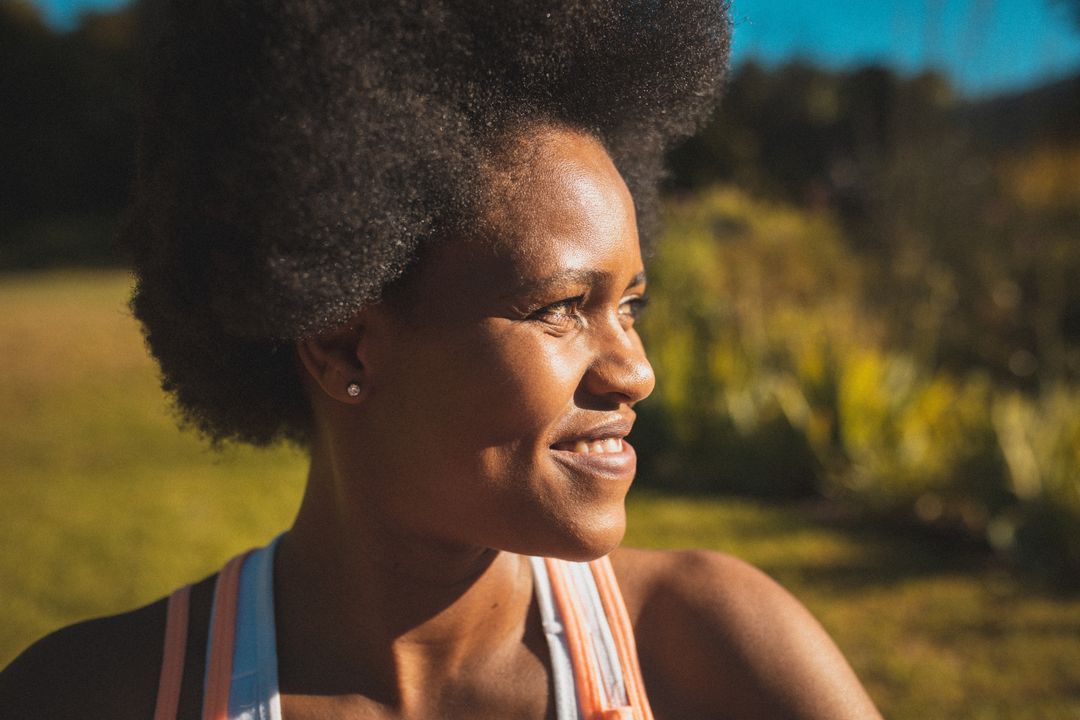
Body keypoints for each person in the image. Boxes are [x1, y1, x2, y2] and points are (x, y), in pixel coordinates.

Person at [0, 1, 883, 718]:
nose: (635, 371)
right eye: (561, 309)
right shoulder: (90, 695)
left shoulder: (714, 653)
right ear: (343, 340)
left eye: (631, 305)